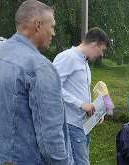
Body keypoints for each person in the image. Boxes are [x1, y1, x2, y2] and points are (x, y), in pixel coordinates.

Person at [0, 0, 73, 164]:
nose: (54, 33)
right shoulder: (40, 67)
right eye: (52, 27)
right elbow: (50, 136)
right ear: (38, 25)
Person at [53, 27, 111, 165]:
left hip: (84, 124)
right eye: (101, 50)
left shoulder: (84, 62)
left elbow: (80, 91)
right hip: (70, 123)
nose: (101, 54)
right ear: (94, 44)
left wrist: (97, 111)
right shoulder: (67, 57)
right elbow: (52, 86)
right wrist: (81, 104)